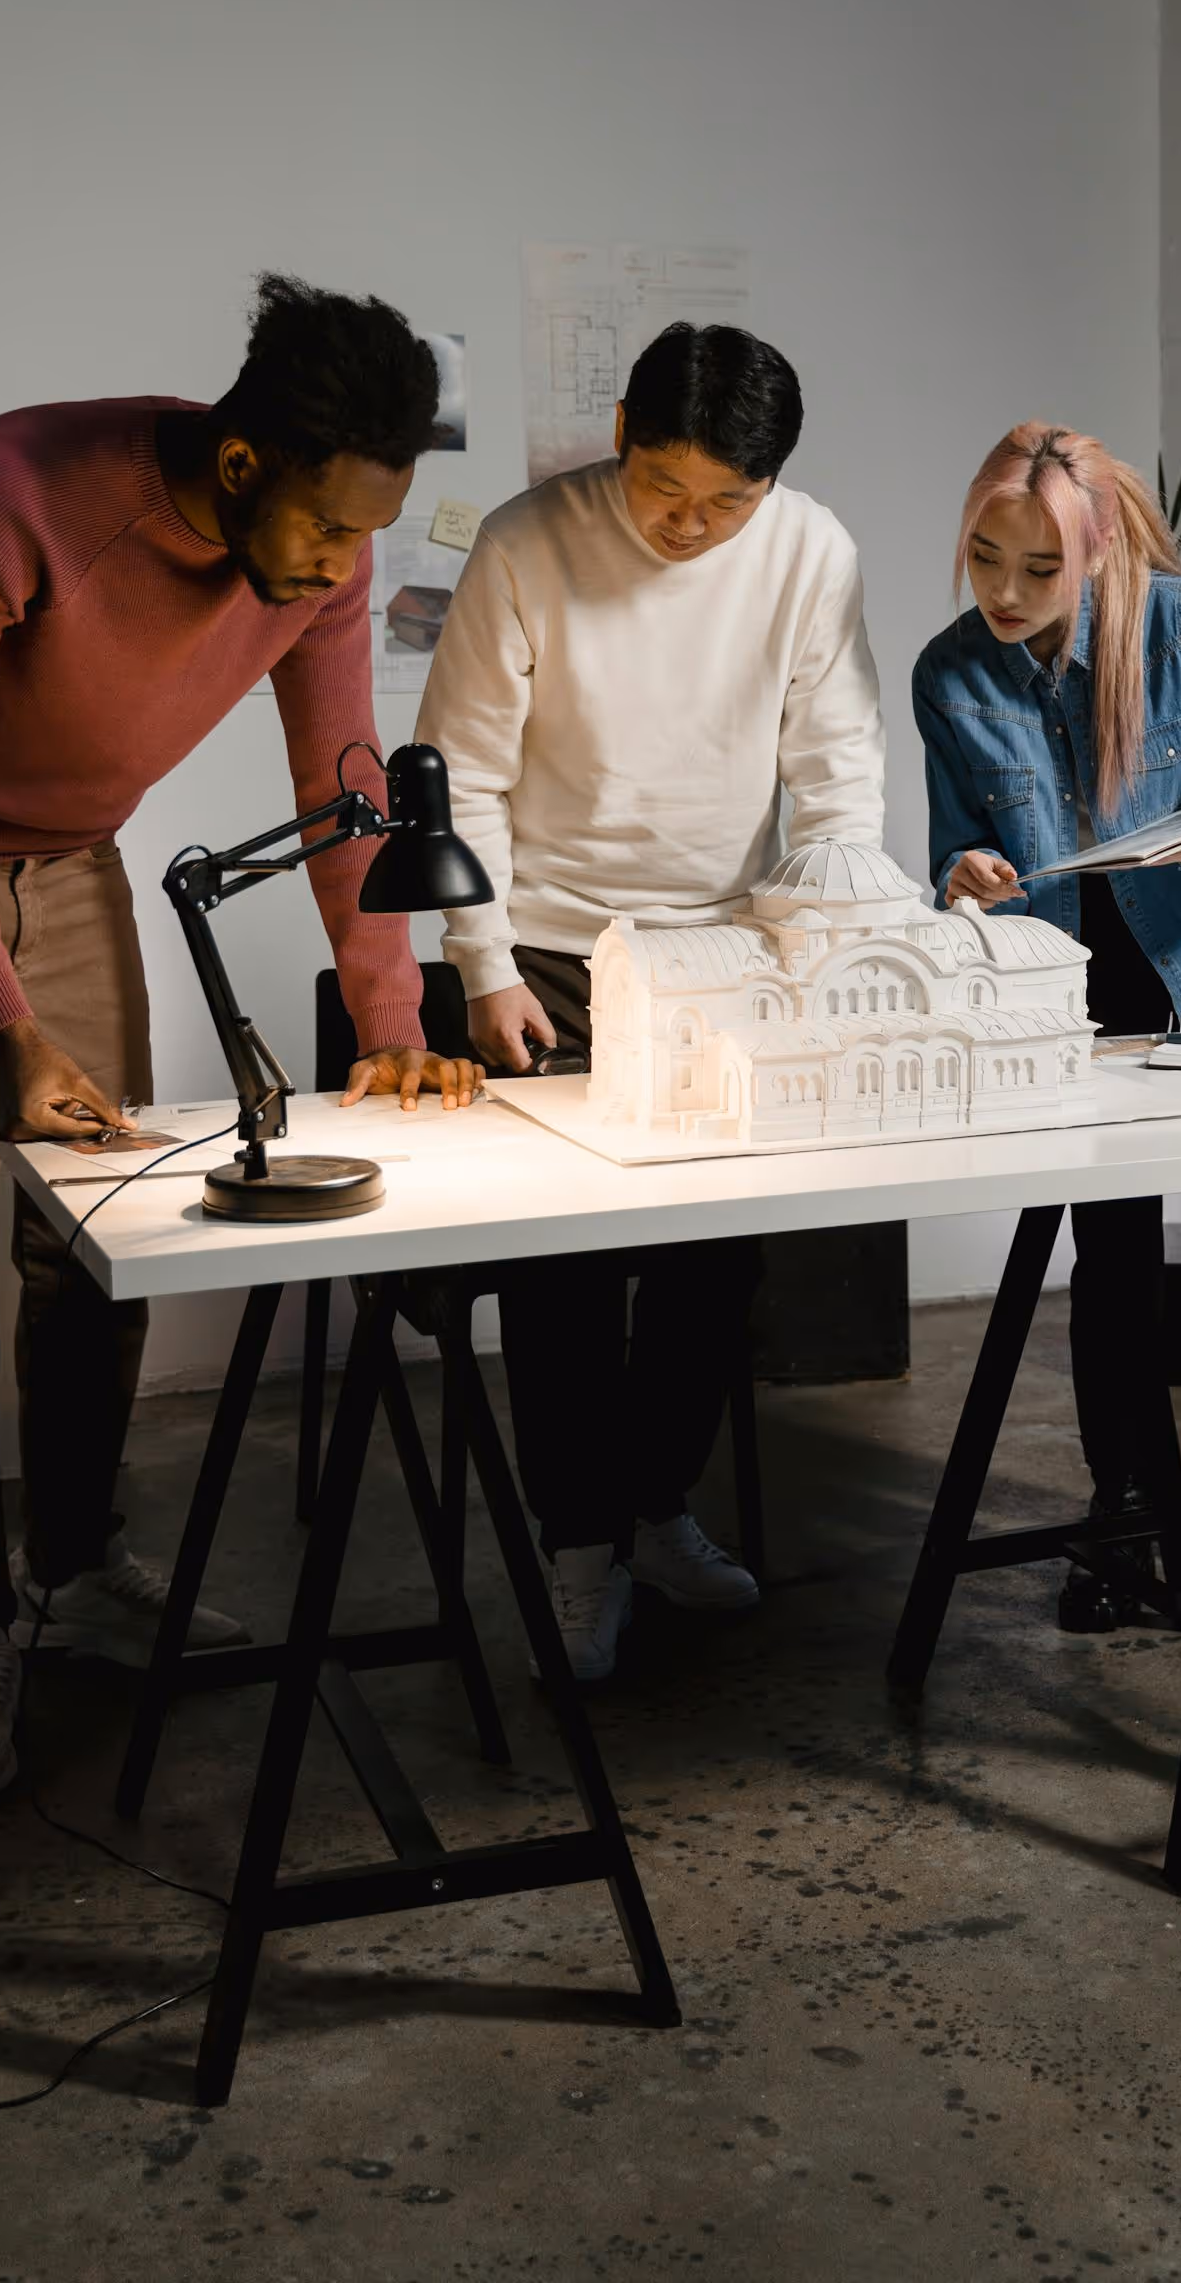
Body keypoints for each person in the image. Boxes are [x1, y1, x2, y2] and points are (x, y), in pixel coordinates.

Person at [0, 275, 483, 1804]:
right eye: (324, 526)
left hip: (75, 846)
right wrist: (4, 1023)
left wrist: (390, 1018)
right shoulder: (17, 489)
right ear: (240, 468)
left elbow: (344, 780)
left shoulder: (330, 547)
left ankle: (77, 1563)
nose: (339, 563)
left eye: (370, 531)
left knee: (99, 1226)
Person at [418, 322, 885, 1680]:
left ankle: (655, 1510)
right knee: (563, 1272)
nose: (691, 527)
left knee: (713, 1262)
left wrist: (839, 930)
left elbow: (839, 760)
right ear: (621, 430)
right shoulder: (524, 544)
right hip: (554, 949)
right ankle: (576, 1551)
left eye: (726, 504)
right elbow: (465, 778)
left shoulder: (809, 552)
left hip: (728, 944)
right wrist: (484, 965)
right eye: (666, 491)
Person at [913, 422, 1181, 1632]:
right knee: (1114, 1265)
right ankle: (1130, 1522)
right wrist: (967, 870)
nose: (1002, 591)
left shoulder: (1178, 627)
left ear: (1094, 556)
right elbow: (954, 845)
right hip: (1079, 998)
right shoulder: (952, 673)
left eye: (1038, 570)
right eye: (985, 556)